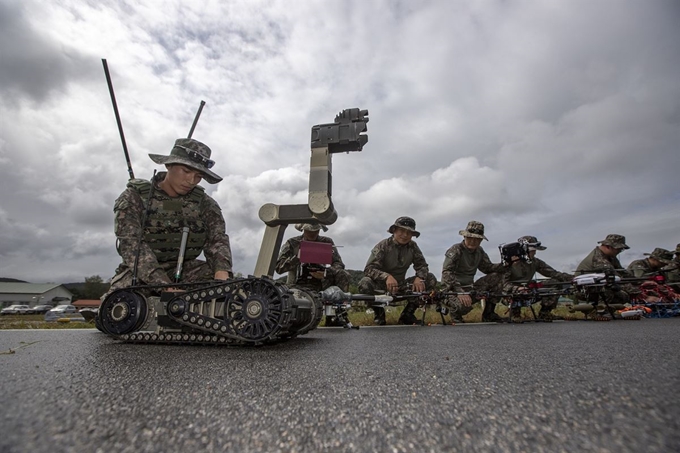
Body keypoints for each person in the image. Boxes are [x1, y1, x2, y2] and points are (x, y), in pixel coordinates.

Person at [105, 138, 233, 297]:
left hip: (187, 270)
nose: (191, 181)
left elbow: (217, 239)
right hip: (141, 271)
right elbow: (131, 245)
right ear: (169, 165)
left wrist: (222, 274)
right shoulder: (134, 198)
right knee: (121, 305)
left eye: (198, 176)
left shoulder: (205, 204)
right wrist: (165, 287)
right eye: (186, 172)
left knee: (224, 292)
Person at [358, 216, 437, 325]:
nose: (405, 235)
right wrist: (386, 277)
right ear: (394, 230)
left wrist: (420, 277)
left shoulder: (413, 247)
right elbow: (369, 269)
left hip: (401, 286)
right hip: (381, 287)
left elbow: (422, 266)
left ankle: (407, 315)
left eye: (409, 233)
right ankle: (379, 315)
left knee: (430, 278)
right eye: (402, 231)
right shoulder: (383, 245)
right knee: (365, 283)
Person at [477, 236, 573, 322]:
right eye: (532, 250)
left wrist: (573, 279)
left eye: (534, 250)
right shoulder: (510, 264)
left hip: (528, 290)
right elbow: (503, 283)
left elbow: (553, 273)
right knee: (510, 289)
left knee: (554, 282)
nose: (534, 252)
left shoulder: (536, 262)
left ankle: (545, 313)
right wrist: (516, 288)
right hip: (510, 293)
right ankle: (514, 314)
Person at [275, 223, 350, 326]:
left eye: (316, 231)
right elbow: (279, 267)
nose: (312, 234)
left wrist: (325, 273)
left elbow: (339, 263)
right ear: (303, 229)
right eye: (309, 231)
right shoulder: (292, 243)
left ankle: (337, 314)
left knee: (343, 274)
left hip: (321, 280)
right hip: (298, 281)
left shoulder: (327, 242)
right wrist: (297, 258)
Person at [441, 220, 504, 323]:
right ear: (465, 237)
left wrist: (506, 264)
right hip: (451, 290)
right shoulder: (456, 250)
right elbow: (447, 272)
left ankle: (489, 314)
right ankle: (454, 314)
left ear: (481, 240)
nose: (473, 241)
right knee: (462, 306)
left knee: (496, 276)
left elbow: (487, 268)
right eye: (470, 238)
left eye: (477, 239)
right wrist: (460, 292)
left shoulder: (479, 251)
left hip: (470, 288)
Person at [575, 234, 633, 315]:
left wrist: (642, 282)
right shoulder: (599, 259)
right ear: (608, 247)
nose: (620, 251)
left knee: (620, 292)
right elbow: (615, 279)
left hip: (596, 286)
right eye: (619, 249)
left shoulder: (610, 256)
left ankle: (606, 309)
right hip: (585, 290)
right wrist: (639, 292)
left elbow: (622, 272)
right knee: (616, 291)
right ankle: (599, 311)